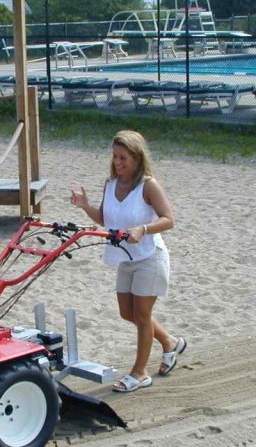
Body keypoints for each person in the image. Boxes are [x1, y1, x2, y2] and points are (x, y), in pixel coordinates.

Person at [70, 130, 185, 393]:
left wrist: (143, 229)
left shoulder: (148, 185)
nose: (118, 163)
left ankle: (139, 373)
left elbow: (169, 219)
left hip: (149, 257)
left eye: (123, 158)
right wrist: (85, 206)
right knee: (127, 313)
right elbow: (108, 219)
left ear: (137, 157)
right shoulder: (110, 184)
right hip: (125, 257)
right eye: (115, 157)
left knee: (142, 316)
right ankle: (169, 342)